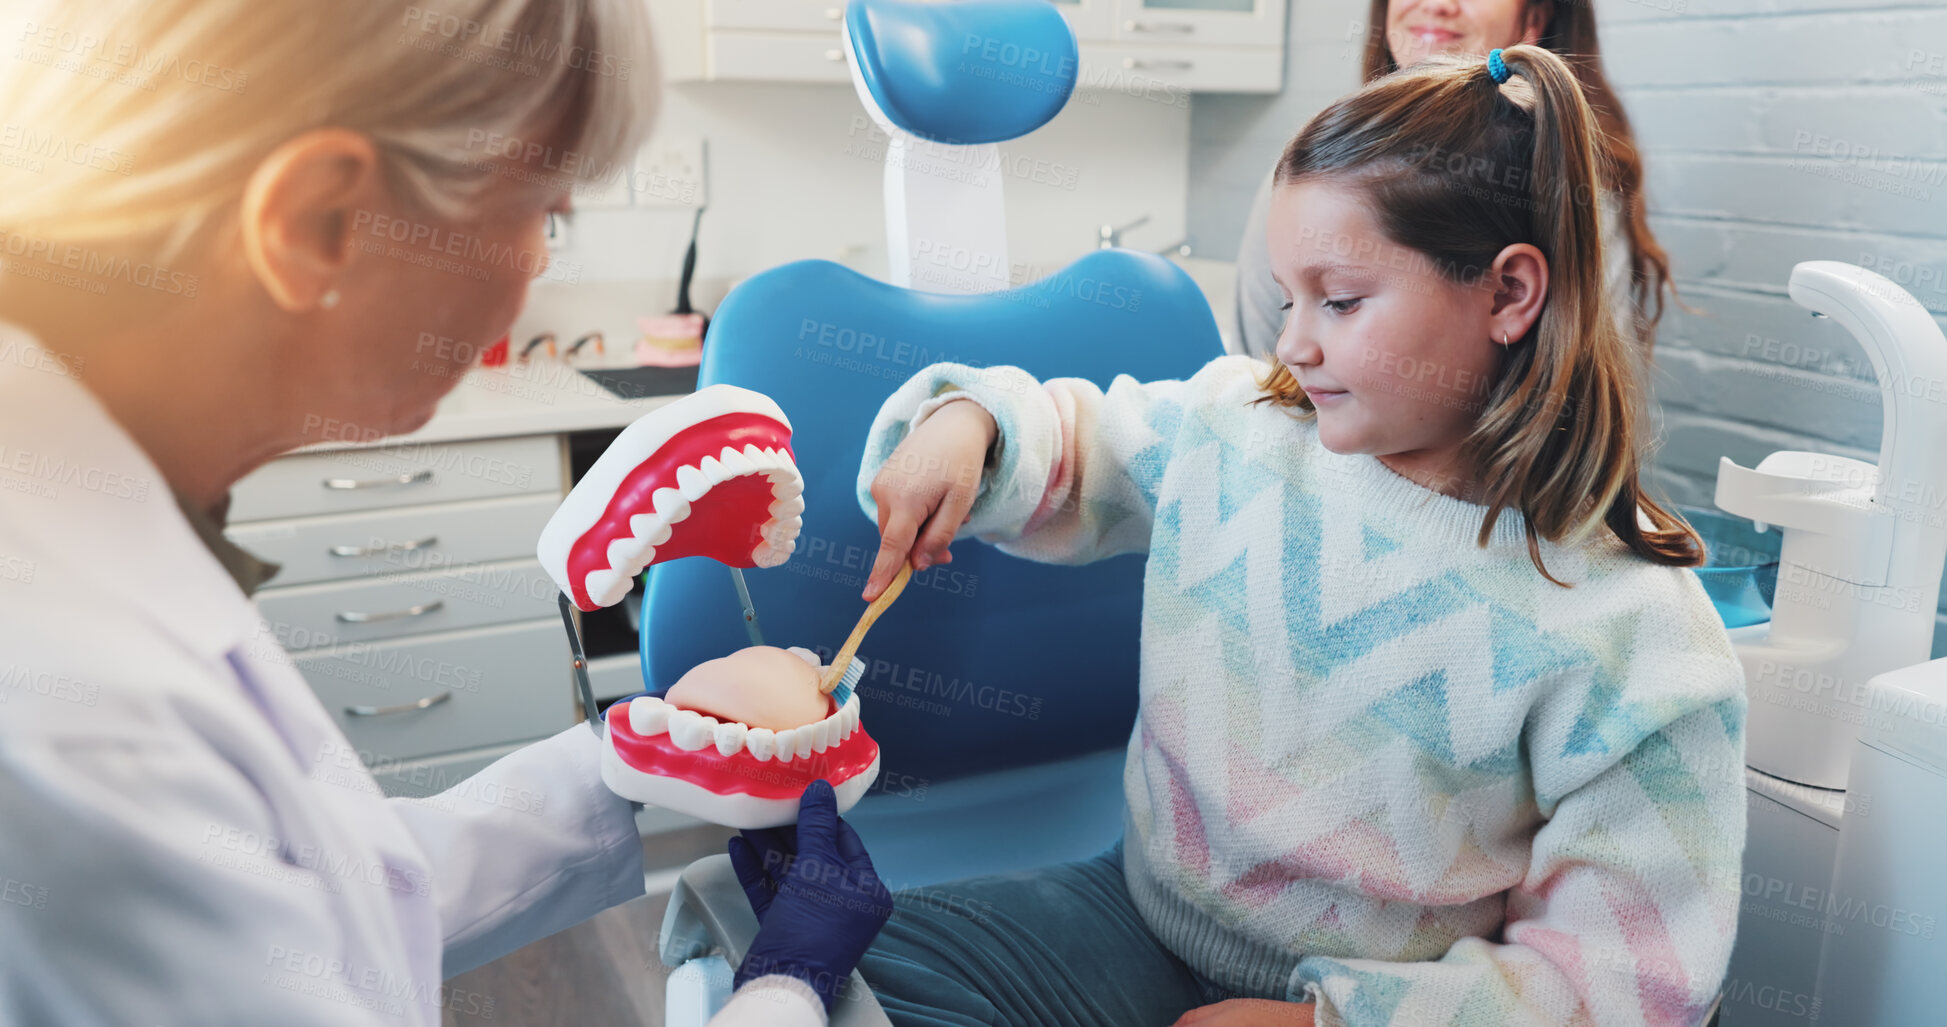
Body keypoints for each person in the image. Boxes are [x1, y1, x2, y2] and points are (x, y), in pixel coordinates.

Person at [0, 1, 883, 1023]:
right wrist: (786, 987)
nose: (542, 261)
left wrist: (642, 755)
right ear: (318, 222)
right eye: (544, 210)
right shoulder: (76, 719)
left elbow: (318, 902)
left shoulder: (90, 538)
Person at [852, 46, 1745, 1027]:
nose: (1293, 344)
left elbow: (1625, 982)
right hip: (1139, 921)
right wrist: (971, 426)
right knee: (843, 967)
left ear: (1508, 295)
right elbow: (1084, 440)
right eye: (1289, 299)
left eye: (1342, 301)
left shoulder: (1633, 626)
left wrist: (1329, 1020)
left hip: (1383, 1002)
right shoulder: (1244, 425)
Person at [1234, 0, 1673, 364]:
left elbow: (1583, 398)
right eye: (1289, 301)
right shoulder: (1311, 173)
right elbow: (1256, 368)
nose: (1437, 4)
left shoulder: (1573, 188)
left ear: (1534, 18)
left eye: (1344, 300)